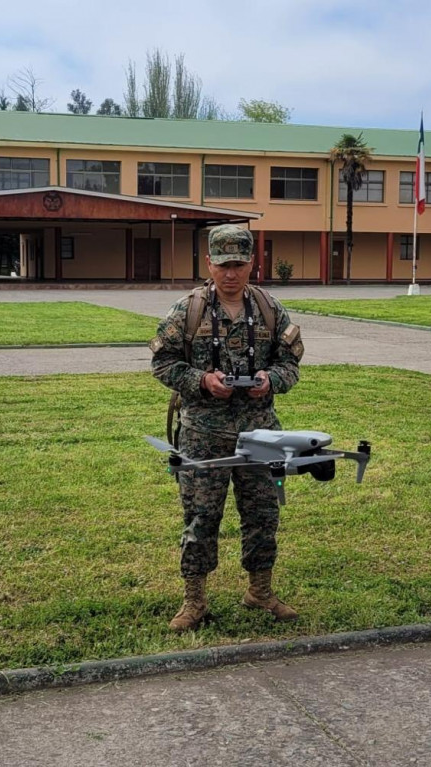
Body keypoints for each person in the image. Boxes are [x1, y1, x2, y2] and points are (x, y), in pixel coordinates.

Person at [150, 224, 305, 632]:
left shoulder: (270, 309)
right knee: (201, 518)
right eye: (223, 265)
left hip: (259, 434)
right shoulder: (188, 310)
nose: (231, 274)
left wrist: (272, 379)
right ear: (209, 264)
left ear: (252, 262)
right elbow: (162, 363)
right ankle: (195, 601)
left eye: (238, 264)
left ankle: (260, 590)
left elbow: (292, 364)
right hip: (204, 433)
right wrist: (201, 381)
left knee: (262, 515)